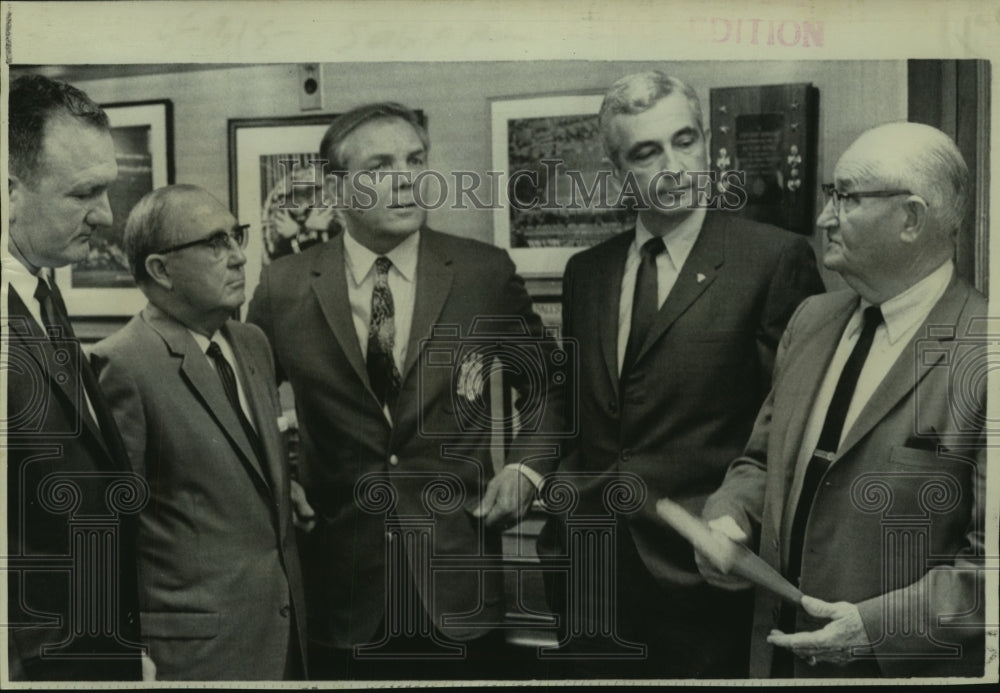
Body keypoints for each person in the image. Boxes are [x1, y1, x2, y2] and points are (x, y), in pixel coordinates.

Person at [246, 102, 565, 679]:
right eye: (379, 166)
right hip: (340, 590)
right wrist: (281, 480)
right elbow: (242, 404)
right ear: (336, 188)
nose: (406, 178)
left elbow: (550, 388)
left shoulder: (482, 274)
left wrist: (527, 471)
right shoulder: (284, 285)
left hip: (460, 577)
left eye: (416, 160)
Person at [537, 71, 825, 678]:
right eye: (646, 152)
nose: (673, 164)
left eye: (685, 140)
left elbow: (794, 424)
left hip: (702, 572)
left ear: (707, 146)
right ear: (618, 168)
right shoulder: (586, 271)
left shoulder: (773, 259)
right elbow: (574, 402)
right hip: (587, 568)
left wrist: (733, 521)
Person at [698, 122, 986, 678]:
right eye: (831, 194)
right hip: (774, 660)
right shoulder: (811, 320)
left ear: (911, 218)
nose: (825, 217)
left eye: (846, 197)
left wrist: (875, 630)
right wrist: (730, 516)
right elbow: (760, 463)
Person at [90, 185, 308, 680]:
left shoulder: (251, 343)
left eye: (237, 237)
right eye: (214, 243)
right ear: (161, 271)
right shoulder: (121, 363)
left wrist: (282, 490)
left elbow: (231, 472)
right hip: (195, 655)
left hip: (285, 634)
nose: (237, 258)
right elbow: (109, 534)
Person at [5, 74, 146, 681]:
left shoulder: (41, 288)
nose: (107, 216)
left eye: (107, 190)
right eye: (84, 193)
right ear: (9, 190)